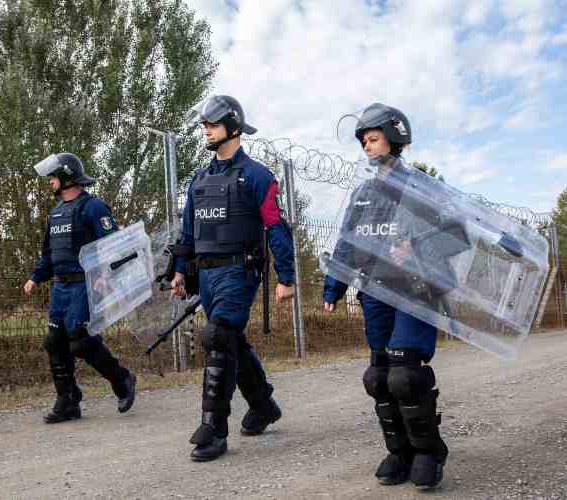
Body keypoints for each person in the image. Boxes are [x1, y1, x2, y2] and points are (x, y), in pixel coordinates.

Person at [323, 103, 448, 489]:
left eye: (373, 139)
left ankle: (428, 452)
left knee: (405, 375)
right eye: (363, 141)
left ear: (395, 139)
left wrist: (416, 247)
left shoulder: (422, 188)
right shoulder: (362, 193)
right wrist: (334, 286)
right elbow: (347, 241)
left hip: (414, 291)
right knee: (379, 376)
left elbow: (453, 235)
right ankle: (400, 452)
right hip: (374, 291)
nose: (367, 146)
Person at [171, 95, 296, 461]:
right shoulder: (199, 179)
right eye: (204, 125)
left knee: (218, 335)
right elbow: (188, 232)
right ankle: (263, 405)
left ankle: (214, 429)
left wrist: (286, 276)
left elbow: (276, 226)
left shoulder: (257, 176)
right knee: (230, 342)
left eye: (212, 124)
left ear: (233, 128)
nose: (206, 130)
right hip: (207, 275)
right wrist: (180, 270)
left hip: (239, 271)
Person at [23, 152, 136, 424]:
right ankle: (68, 401)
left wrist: (105, 275)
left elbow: (114, 245)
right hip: (60, 288)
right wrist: (35, 277)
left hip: (85, 285)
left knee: (80, 341)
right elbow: (49, 254)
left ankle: (122, 379)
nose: (50, 181)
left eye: (53, 177)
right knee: (54, 342)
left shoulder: (93, 208)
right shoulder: (55, 213)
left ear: (67, 178)